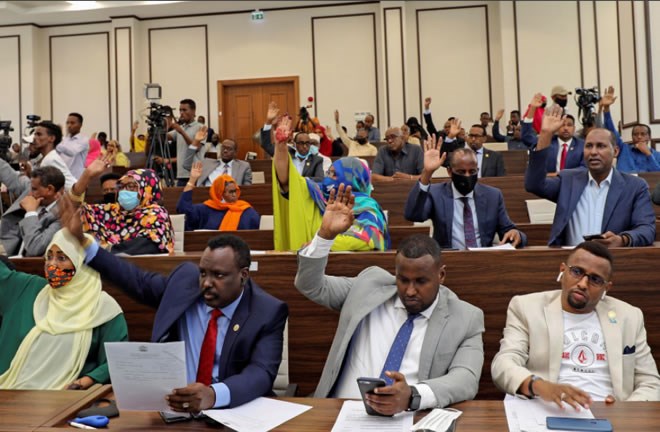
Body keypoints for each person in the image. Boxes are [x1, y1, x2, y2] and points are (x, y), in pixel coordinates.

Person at [58, 196, 288, 411]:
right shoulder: (185, 283)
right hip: (174, 406)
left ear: (243, 275)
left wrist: (214, 395)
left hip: (233, 411)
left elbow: (261, 372)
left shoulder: (267, 311)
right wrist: (83, 241)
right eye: (203, 273)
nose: (206, 283)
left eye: (218, 276)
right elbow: (134, 279)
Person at [294, 187, 484, 415]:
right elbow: (311, 285)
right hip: (339, 412)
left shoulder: (465, 317)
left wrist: (413, 395)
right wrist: (325, 235)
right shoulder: (369, 285)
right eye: (403, 280)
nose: (410, 291)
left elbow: (466, 379)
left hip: (409, 417)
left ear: (441, 275)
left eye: (421, 281)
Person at [491, 242, 660, 405]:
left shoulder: (629, 316)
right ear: (562, 270)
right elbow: (504, 363)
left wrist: (625, 411)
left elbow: (650, 382)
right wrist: (540, 386)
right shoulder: (526, 307)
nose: (582, 284)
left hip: (610, 415)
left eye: (595, 279)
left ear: (606, 288)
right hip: (544, 408)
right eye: (577, 271)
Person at [0, 228, 127, 390]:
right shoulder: (29, 288)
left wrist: (85, 381)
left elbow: (116, 358)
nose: (52, 264)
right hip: (11, 393)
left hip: (66, 398)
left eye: (62, 258)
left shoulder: (103, 307)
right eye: (49, 256)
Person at [524, 105, 655, 247]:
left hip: (612, 262)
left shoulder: (635, 186)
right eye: (588, 146)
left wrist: (622, 240)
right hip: (570, 260)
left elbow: (646, 229)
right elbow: (534, 184)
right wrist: (545, 134)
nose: (593, 152)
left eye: (601, 146)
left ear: (615, 152)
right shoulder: (568, 179)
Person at [272, 116, 389, 251]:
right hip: (312, 262)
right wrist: (280, 146)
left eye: (334, 174)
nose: (328, 178)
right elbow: (288, 181)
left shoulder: (368, 207)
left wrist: (320, 242)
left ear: (350, 180)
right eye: (328, 173)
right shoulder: (318, 192)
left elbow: (367, 239)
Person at [405, 142, 526, 249]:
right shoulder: (436, 193)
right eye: (461, 172)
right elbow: (413, 215)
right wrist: (427, 173)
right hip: (448, 263)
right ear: (450, 171)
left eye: (472, 172)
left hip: (484, 262)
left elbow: (508, 230)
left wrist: (516, 234)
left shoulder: (493, 196)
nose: (467, 176)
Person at [76, 165, 175, 255]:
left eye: (131, 186)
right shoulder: (113, 211)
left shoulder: (157, 214)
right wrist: (86, 175)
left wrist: (109, 250)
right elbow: (78, 210)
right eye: (121, 186)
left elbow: (150, 243)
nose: (124, 191)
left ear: (147, 190)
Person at [0, 162, 65, 257]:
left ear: (50, 189)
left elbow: (35, 248)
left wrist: (30, 212)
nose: (29, 193)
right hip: (7, 246)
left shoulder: (63, 215)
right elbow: (11, 177)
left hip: (27, 264)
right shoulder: (34, 190)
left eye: (34, 189)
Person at [177, 162, 260, 231]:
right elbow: (183, 209)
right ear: (220, 193)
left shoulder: (244, 209)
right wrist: (192, 180)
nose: (234, 195)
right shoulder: (206, 209)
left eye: (235, 191)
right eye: (231, 192)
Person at [600, 86, 660, 173]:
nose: (639, 137)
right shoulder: (623, 148)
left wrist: (648, 154)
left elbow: (658, 176)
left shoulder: (657, 155)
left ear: (649, 137)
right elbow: (611, 132)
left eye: (643, 134)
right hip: (623, 185)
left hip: (648, 186)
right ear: (632, 137)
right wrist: (606, 109)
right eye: (636, 134)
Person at [522, 93, 585, 173]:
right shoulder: (548, 142)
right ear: (557, 127)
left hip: (572, 183)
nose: (566, 128)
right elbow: (527, 137)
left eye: (569, 125)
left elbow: (584, 169)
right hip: (549, 183)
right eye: (562, 125)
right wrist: (532, 108)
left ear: (574, 128)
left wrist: (563, 176)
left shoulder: (582, 145)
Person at [27, 121, 76, 190]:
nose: (34, 138)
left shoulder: (50, 160)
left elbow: (71, 186)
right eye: (35, 134)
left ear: (52, 138)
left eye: (39, 134)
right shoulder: (48, 157)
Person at [185, 139, 252, 186]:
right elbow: (186, 165)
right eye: (223, 148)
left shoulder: (243, 166)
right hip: (207, 199)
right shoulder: (207, 163)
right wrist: (195, 142)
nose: (225, 151)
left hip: (231, 202)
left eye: (229, 149)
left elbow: (247, 189)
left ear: (235, 152)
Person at [167, 99, 203, 186]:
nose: (181, 113)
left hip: (194, 174)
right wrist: (165, 126)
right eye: (180, 110)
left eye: (184, 110)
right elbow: (166, 137)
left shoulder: (201, 127)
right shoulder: (181, 127)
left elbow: (196, 148)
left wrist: (182, 132)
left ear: (193, 111)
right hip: (181, 174)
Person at [56, 112, 89, 179]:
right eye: (67, 123)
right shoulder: (63, 140)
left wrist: (55, 143)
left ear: (80, 125)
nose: (69, 125)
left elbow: (72, 152)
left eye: (72, 123)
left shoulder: (84, 140)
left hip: (76, 178)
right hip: (62, 177)